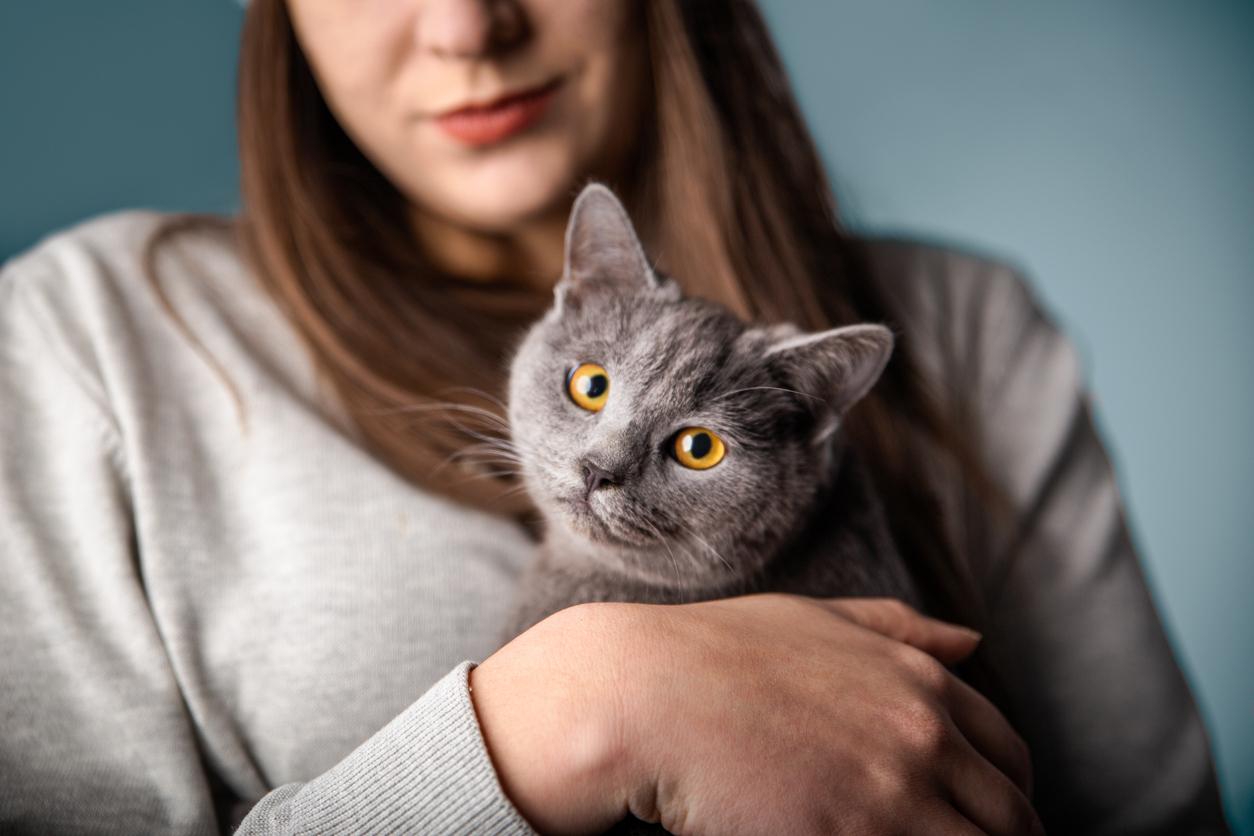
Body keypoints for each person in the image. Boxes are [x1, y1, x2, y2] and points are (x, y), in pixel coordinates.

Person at [0, 1, 1230, 834]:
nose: (470, 24)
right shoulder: (95, 334)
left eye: (694, 445)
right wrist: (568, 717)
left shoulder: (965, 327)